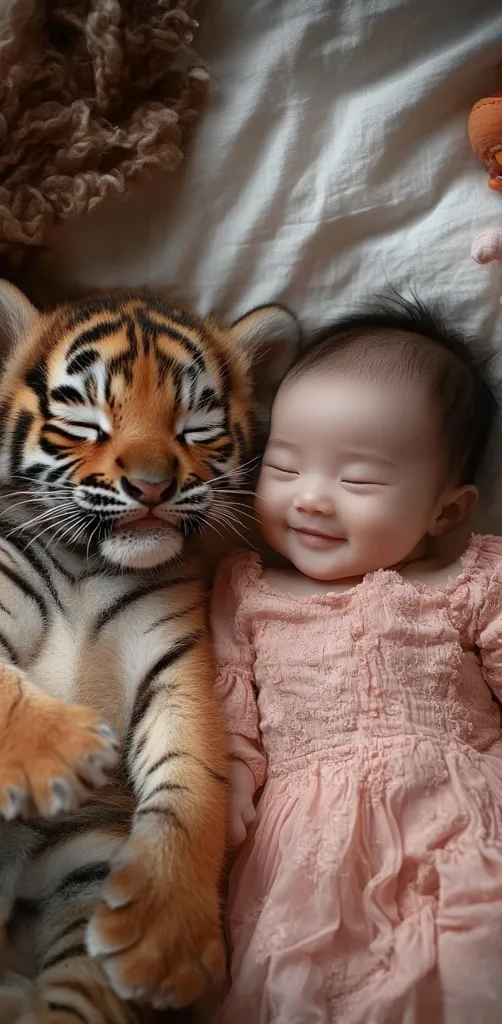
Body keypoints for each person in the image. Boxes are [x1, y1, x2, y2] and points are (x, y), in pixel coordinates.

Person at [211, 298, 502, 1023]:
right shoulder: (246, 587)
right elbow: (225, 706)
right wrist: (231, 777)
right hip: (307, 856)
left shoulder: (470, 579)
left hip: (464, 818)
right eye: (284, 465)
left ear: (447, 510)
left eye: (359, 481)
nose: (310, 497)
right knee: (313, 984)